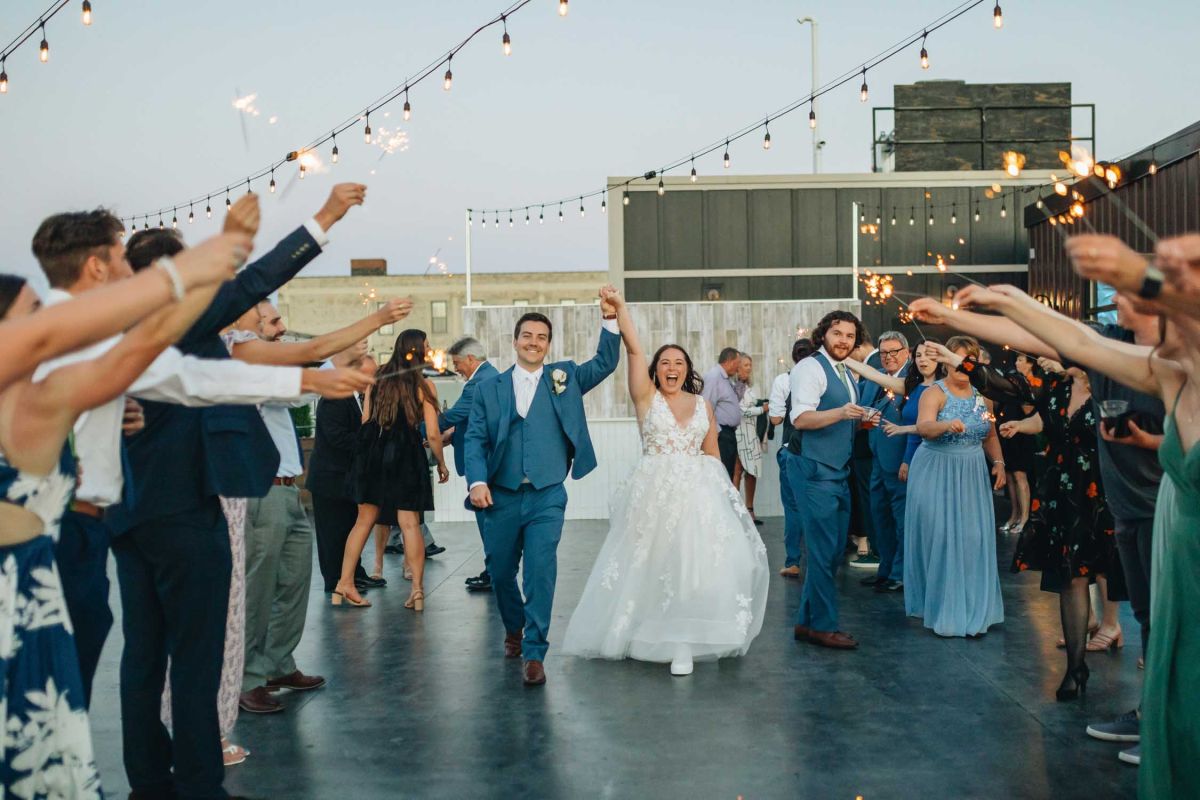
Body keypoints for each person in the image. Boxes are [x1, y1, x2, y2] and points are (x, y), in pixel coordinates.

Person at [108, 184, 371, 799]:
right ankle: (201, 784)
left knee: (142, 655)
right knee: (196, 656)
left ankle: (148, 784)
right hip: (184, 509)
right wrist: (326, 216)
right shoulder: (177, 316)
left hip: (129, 513)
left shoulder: (113, 326)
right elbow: (257, 280)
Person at [0, 227, 245, 796]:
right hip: (47, 573)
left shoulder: (53, 383)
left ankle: (143, 782)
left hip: (68, 563)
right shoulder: (73, 362)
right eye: (31, 311)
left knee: (75, 701)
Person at [936, 270, 1196, 791]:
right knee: (1150, 618)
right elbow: (1038, 339)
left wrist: (1002, 301)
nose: (1116, 305)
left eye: (1128, 297)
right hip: (1113, 502)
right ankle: (1148, 712)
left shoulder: (1168, 365)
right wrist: (959, 315)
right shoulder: (1098, 358)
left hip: (1146, 503)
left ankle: (1168, 723)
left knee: (1171, 625)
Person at [562, 299, 769, 676]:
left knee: (692, 566)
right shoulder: (646, 398)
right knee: (651, 563)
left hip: (696, 495)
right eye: (665, 363)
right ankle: (643, 630)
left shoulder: (703, 405)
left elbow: (712, 455)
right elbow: (634, 349)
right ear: (656, 370)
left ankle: (683, 640)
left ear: (687, 369)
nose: (672, 368)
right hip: (654, 494)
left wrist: (726, 502)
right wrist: (618, 310)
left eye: (678, 363)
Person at [929, 342, 1121, 697]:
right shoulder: (1056, 387)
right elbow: (1005, 386)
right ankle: (1075, 668)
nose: (1051, 356)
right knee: (1071, 578)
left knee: (1113, 572)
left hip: (1105, 492)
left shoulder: (1111, 388)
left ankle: (1133, 646)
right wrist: (958, 361)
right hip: (1065, 492)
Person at [465, 293, 621, 686]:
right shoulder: (489, 388)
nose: (534, 342)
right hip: (500, 495)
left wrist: (609, 318)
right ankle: (514, 627)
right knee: (500, 572)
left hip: (547, 495)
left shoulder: (563, 378)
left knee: (540, 571)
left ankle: (535, 652)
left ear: (548, 344)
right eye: (527, 336)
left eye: (541, 337)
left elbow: (605, 363)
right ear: (514, 341)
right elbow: (475, 439)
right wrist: (477, 481)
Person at [334, 329, 449, 609]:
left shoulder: (377, 378)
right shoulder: (423, 385)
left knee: (363, 521)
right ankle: (417, 590)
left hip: (374, 451)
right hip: (407, 453)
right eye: (426, 345)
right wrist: (441, 463)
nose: (429, 349)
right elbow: (433, 434)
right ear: (416, 350)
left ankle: (343, 584)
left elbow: (365, 420)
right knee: (410, 523)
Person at [903, 335, 1006, 638]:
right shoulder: (934, 393)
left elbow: (989, 433)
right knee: (941, 537)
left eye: (967, 360)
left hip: (971, 471)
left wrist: (999, 463)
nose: (961, 366)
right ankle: (941, 607)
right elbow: (924, 427)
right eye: (955, 360)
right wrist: (945, 425)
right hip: (936, 469)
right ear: (945, 363)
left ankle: (972, 606)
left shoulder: (983, 397)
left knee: (972, 537)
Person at [789, 310, 870, 650]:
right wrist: (842, 413)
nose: (843, 341)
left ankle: (806, 622)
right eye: (837, 333)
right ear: (823, 334)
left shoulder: (844, 371)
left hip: (838, 470)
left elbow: (840, 417)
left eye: (850, 336)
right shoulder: (810, 368)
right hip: (815, 469)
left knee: (834, 551)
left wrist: (861, 420)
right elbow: (800, 418)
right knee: (823, 552)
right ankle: (824, 626)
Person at [844, 331, 910, 591]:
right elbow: (861, 408)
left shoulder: (913, 378)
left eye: (894, 351)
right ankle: (885, 569)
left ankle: (900, 574)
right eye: (884, 352)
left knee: (901, 521)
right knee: (879, 518)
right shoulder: (873, 378)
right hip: (876, 460)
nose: (889, 357)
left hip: (901, 462)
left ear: (906, 352)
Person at [310, 350, 377, 597]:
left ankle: (354, 573)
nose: (372, 381)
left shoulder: (356, 397)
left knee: (349, 526)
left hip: (346, 476)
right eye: (368, 375)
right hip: (329, 477)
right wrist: (368, 442)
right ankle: (334, 579)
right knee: (332, 531)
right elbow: (336, 436)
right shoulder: (335, 397)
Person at [438, 336, 499, 592]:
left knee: (488, 523)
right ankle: (493, 571)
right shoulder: (491, 376)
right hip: (488, 462)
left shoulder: (478, 384)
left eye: (457, 363)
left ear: (471, 359)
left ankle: (494, 574)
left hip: (482, 465)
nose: (456, 370)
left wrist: (418, 429)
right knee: (489, 523)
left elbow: (454, 416)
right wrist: (452, 436)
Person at [768, 339, 815, 577]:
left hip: (791, 449)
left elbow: (776, 419)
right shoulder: (821, 379)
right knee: (818, 506)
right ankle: (819, 560)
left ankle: (793, 561)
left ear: (794, 356)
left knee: (793, 507)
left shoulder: (783, 380)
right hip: (818, 450)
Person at [996, 353, 1039, 535]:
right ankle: (1014, 514)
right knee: (1010, 476)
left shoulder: (1034, 384)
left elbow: (1031, 411)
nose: (1017, 363)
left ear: (1030, 364)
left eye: (1021, 360)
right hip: (1008, 432)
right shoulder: (1012, 383)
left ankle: (1025, 517)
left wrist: (1021, 391)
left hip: (1023, 434)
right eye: (1017, 360)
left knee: (1020, 476)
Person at [733, 353, 767, 526]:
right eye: (745, 365)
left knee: (752, 472)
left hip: (752, 434)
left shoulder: (750, 386)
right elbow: (739, 411)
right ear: (737, 367)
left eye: (750, 365)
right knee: (737, 470)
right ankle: (734, 511)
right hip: (739, 433)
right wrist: (763, 409)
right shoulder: (734, 387)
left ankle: (750, 509)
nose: (749, 368)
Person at [701, 347, 743, 480]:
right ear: (729, 361)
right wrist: (716, 432)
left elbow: (732, 401)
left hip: (728, 434)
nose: (738, 367)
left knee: (728, 474)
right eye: (737, 363)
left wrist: (741, 381)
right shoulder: (714, 377)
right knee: (721, 476)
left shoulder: (726, 378)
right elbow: (705, 406)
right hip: (720, 435)